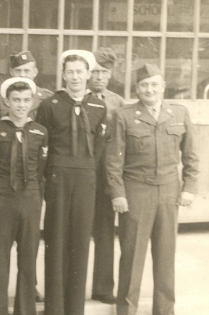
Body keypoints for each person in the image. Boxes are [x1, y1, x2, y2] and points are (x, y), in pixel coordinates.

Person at [106, 64, 198, 315]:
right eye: (144, 85)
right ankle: (126, 311)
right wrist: (118, 193)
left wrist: (189, 187)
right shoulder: (124, 116)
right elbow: (113, 161)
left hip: (168, 192)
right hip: (136, 192)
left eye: (154, 84)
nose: (149, 90)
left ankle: (165, 311)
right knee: (132, 256)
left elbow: (191, 155)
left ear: (163, 87)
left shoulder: (179, 113)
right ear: (137, 89)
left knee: (166, 256)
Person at [35, 50, 107, 315]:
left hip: (85, 178)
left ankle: (75, 308)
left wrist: (88, 171)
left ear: (88, 74)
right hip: (58, 177)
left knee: (80, 241)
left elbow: (100, 148)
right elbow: (42, 145)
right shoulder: (50, 105)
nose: (75, 77)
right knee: (56, 241)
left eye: (80, 72)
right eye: (70, 72)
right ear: (63, 74)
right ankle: (54, 308)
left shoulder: (99, 106)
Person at [0, 78, 48, 315]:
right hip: (2, 197)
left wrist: (33, 194)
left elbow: (40, 167)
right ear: (6, 101)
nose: (21, 105)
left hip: (30, 197)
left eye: (26, 100)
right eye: (16, 100)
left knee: (28, 257)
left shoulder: (40, 131)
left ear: (32, 102)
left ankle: (25, 310)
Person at [88, 47, 127, 305]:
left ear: (111, 74)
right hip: (82, 172)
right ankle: (71, 284)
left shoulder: (118, 102)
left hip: (106, 177)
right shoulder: (78, 97)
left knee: (104, 233)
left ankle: (102, 288)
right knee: (76, 232)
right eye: (95, 71)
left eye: (104, 71)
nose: (99, 76)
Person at [0, 51, 54, 123]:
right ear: (11, 72)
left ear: (35, 72)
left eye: (26, 71)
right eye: (18, 71)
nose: (22, 75)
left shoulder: (47, 97)